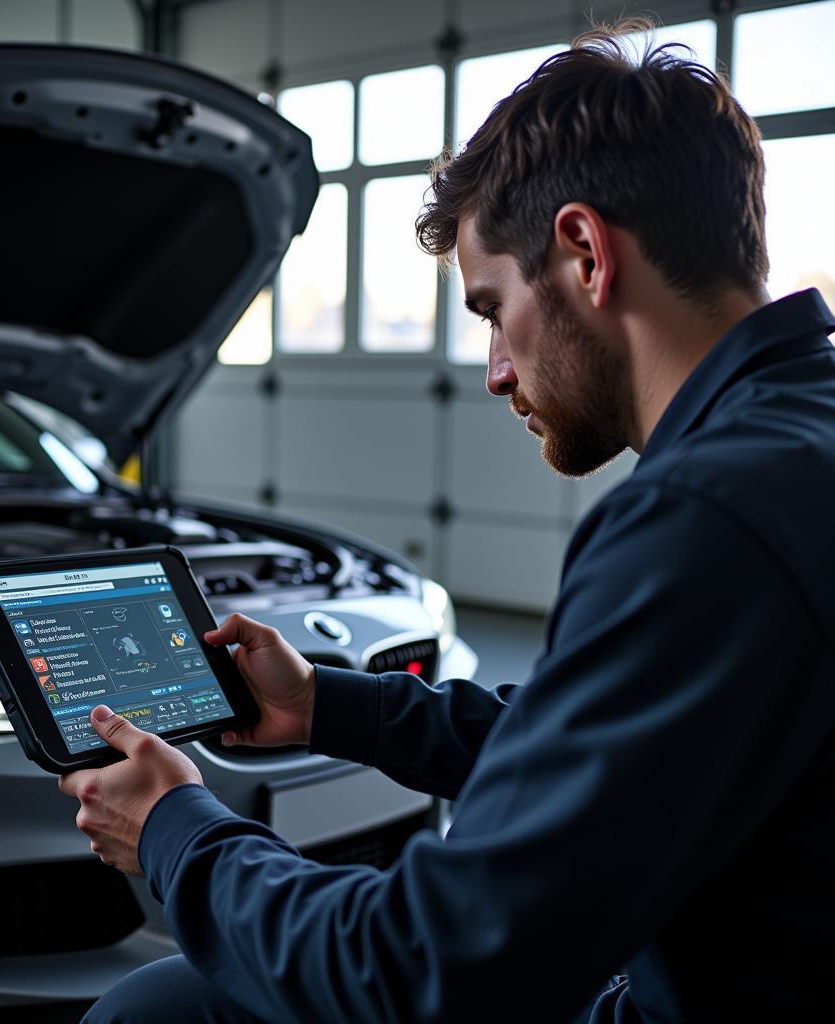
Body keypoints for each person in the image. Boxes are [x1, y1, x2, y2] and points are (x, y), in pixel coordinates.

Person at [59, 19, 835, 1024]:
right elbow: (614, 747)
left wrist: (175, 830)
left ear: (585, 254)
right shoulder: (792, 448)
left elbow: (419, 971)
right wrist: (333, 707)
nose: (496, 372)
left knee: (153, 1014)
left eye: (489, 308)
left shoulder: (703, 520)